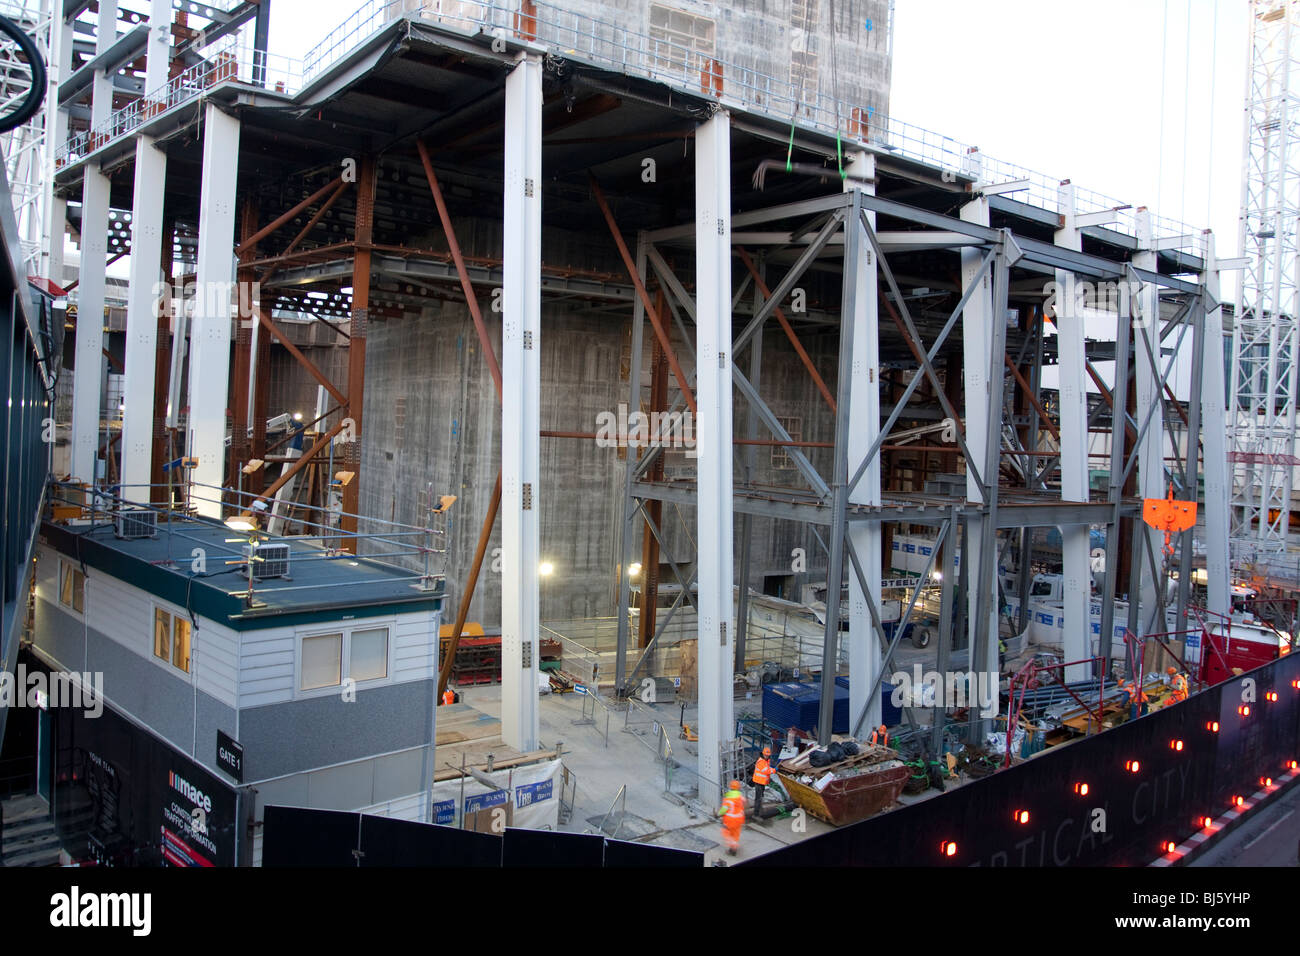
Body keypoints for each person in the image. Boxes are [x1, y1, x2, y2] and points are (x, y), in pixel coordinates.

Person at [719, 780, 745, 856]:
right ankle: (733, 849)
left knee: (726, 833)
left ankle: (733, 846)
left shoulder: (728, 798)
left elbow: (724, 809)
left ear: (730, 787)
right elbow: (745, 804)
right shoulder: (741, 797)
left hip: (730, 820)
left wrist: (718, 814)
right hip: (739, 819)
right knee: (736, 834)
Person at [751, 747, 776, 816]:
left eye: (768, 755)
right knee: (758, 798)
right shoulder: (761, 761)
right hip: (759, 782)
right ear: (763, 754)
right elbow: (766, 771)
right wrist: (774, 770)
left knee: (760, 796)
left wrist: (772, 769)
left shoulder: (765, 760)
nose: (767, 756)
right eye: (766, 755)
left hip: (762, 782)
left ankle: (759, 810)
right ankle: (756, 814)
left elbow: (767, 768)